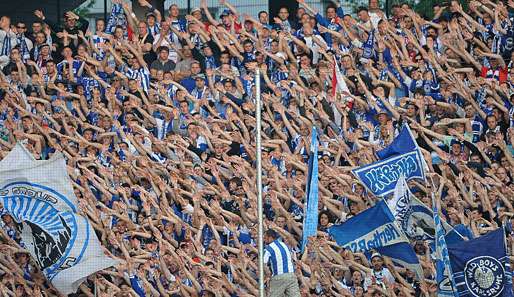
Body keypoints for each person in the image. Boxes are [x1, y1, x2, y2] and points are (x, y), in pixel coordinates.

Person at [264, 229, 300, 297]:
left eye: (265, 238)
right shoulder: (284, 244)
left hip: (279, 277)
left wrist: (268, 274)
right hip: (291, 275)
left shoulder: (269, 248)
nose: (264, 240)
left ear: (270, 237)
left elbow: (264, 263)